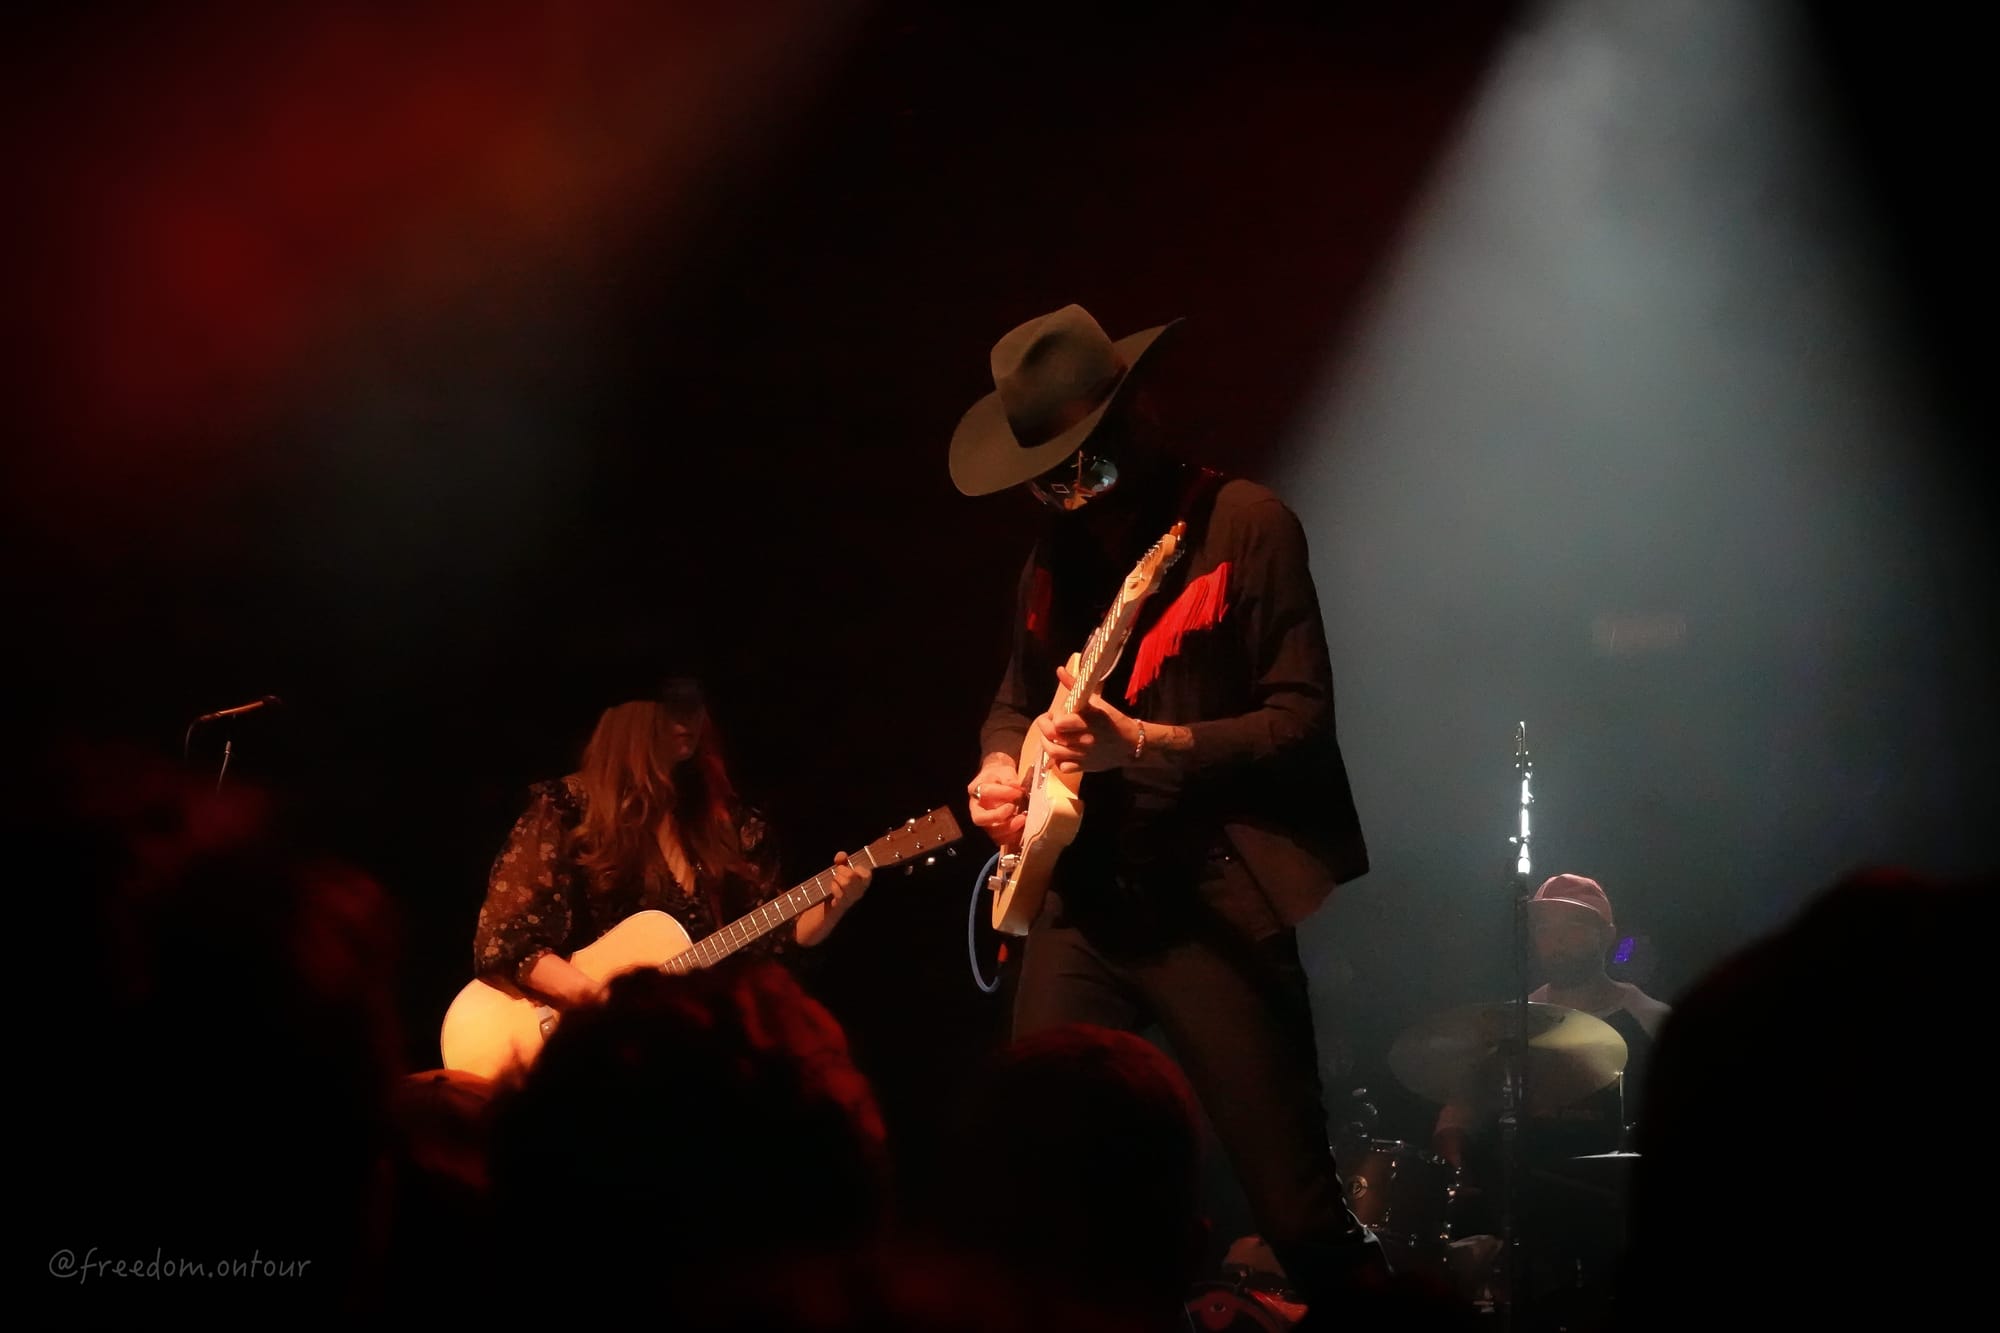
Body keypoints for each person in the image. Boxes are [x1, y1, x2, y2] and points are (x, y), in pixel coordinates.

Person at [950, 304, 1381, 1307]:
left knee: (1298, 1214)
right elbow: (1013, 699)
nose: (1069, 495)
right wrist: (999, 768)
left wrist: (1144, 744)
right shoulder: (1052, 558)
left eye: (1084, 467)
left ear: (1135, 415)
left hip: (1207, 897)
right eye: (1046, 480)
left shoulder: (1245, 525)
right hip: (1081, 903)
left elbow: (1300, 722)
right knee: (1032, 1186)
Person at [472, 677, 870, 1010]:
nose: (689, 716)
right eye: (672, 703)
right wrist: (603, 1005)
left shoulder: (726, 821)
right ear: (631, 715)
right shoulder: (569, 808)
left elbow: (774, 938)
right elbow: (507, 941)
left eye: (695, 703)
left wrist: (834, 906)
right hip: (588, 1047)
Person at [1431, 874, 1671, 1171]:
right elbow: (1461, 1113)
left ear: (1607, 935)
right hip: (1521, 1194)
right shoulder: (1512, 1022)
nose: (1556, 938)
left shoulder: (1653, 1020)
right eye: (1544, 927)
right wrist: (1453, 1150)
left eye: (1574, 924)